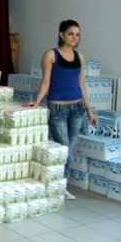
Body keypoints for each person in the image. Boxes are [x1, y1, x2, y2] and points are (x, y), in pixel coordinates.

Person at [25, 19, 97, 200]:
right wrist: (37, 100)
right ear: (62, 35)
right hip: (57, 108)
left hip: (77, 108)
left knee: (70, 148)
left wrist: (89, 110)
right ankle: (57, 185)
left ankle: (61, 185)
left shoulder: (80, 57)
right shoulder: (51, 55)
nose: (74, 37)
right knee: (63, 147)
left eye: (77, 34)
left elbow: (82, 85)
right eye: (71, 34)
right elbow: (46, 81)